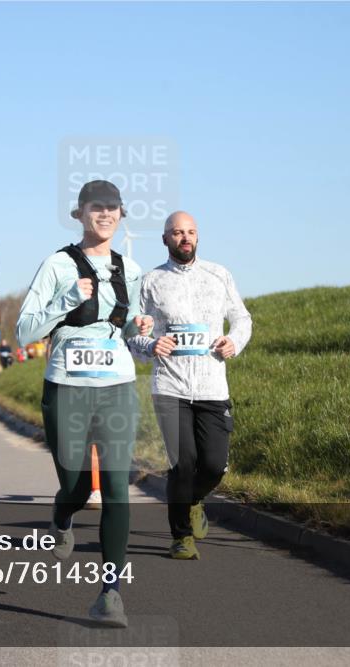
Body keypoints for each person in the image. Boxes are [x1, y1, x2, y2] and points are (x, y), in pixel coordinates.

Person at [16, 180, 151, 628]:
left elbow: (127, 328)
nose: (106, 214)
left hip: (117, 387)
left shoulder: (130, 269)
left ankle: (110, 594)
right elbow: (24, 331)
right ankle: (62, 513)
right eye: (97, 207)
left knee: (115, 488)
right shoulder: (57, 265)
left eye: (113, 208)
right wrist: (69, 298)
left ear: (121, 214)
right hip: (67, 387)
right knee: (76, 487)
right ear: (79, 214)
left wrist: (139, 328)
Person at [129, 211, 252, 560]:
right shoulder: (150, 281)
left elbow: (241, 318)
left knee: (213, 466)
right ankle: (181, 537)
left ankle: (194, 500)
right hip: (170, 385)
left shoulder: (218, 275)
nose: (185, 238)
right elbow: (133, 334)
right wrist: (151, 344)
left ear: (198, 237)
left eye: (191, 232)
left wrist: (233, 342)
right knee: (183, 464)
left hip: (212, 386)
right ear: (165, 239)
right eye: (177, 232)